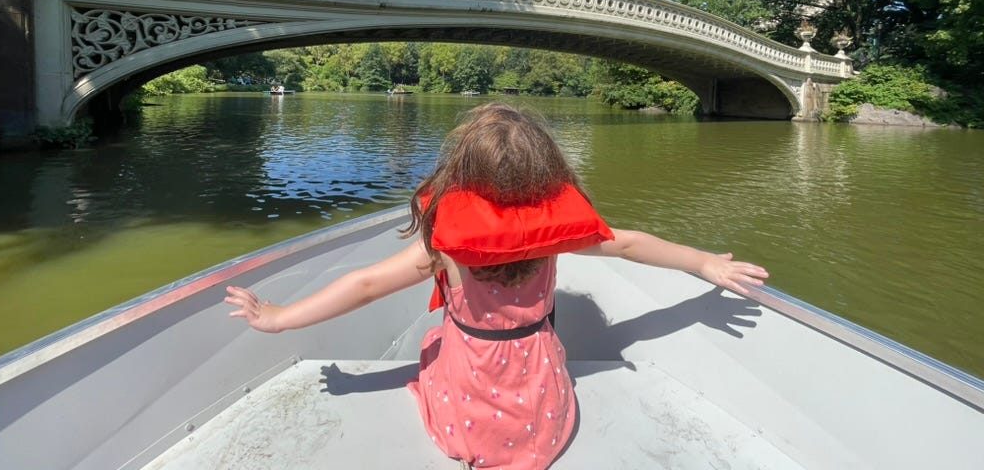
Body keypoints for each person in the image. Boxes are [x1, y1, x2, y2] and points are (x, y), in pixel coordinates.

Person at [226, 103, 768, 469]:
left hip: (469, 398)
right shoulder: (554, 236)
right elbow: (629, 244)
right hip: (543, 409)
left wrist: (279, 317)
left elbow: (365, 285)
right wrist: (703, 264)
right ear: (547, 176)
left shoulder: (445, 246)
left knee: (435, 343)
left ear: (460, 177)